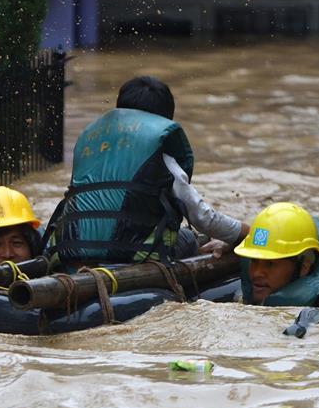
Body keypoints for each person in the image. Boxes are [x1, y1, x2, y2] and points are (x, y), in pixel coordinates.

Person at [42, 76, 249, 268]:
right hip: (130, 256)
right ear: (163, 122)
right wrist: (246, 233)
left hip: (69, 251)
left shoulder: (91, 151)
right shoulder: (162, 160)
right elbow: (204, 218)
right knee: (187, 238)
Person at [233, 201, 319, 310]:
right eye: (254, 261)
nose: (257, 273)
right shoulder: (244, 293)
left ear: (304, 266)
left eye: (270, 264)